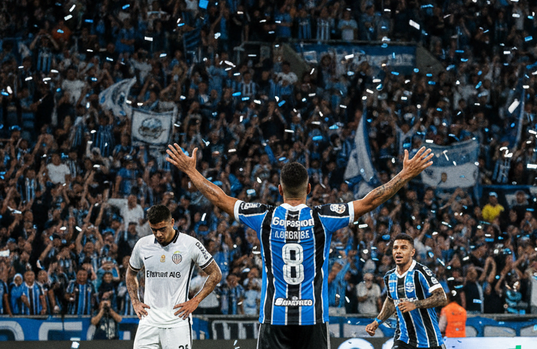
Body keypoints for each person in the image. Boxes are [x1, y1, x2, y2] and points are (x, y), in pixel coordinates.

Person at [166, 143, 434, 349]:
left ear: (279, 189)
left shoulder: (264, 217)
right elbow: (371, 200)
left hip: (274, 318)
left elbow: (219, 198)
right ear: (309, 188)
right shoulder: (323, 217)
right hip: (312, 318)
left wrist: (191, 170)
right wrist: (404, 174)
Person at [126, 204, 222, 349]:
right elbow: (131, 273)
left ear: (172, 222)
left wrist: (195, 300)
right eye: (154, 230)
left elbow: (216, 273)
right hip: (148, 322)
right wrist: (135, 301)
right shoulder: (142, 245)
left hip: (177, 322)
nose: (158, 234)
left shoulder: (190, 244)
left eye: (162, 229)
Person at [365, 233, 447, 349]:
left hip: (429, 341)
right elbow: (391, 300)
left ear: (412, 252)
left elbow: (441, 297)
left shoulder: (421, 272)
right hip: (404, 339)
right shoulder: (389, 276)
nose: (398, 251)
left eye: (403, 248)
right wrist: (377, 322)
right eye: (395, 248)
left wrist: (415, 304)